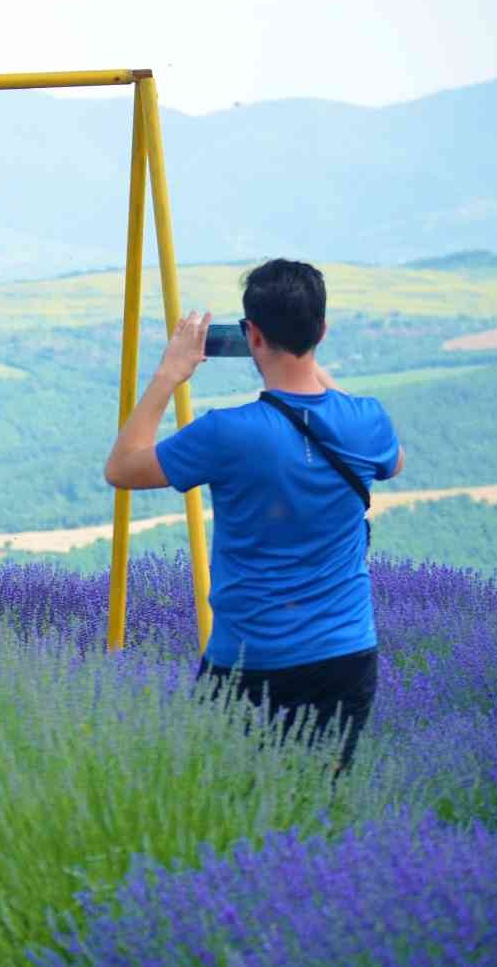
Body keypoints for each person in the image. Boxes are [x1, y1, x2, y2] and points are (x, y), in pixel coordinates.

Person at [103, 259, 404, 768]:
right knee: (317, 810)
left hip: (249, 660)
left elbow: (122, 468)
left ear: (252, 335)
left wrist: (169, 374)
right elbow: (390, 462)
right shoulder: (368, 420)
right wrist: (307, 366)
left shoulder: (226, 433)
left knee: (228, 813)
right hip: (348, 656)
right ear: (323, 330)